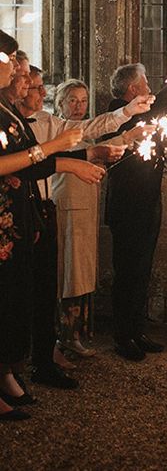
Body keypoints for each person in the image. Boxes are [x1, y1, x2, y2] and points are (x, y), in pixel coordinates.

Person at [0, 31, 104, 420]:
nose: (18, 76)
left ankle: (10, 372)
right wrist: (57, 151)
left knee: (15, 299)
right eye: (13, 66)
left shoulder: (7, 110)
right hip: (3, 221)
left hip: (18, 215)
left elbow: (30, 163)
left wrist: (70, 161)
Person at [104, 61, 167, 362]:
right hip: (128, 208)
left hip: (148, 203)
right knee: (128, 273)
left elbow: (163, 111)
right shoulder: (117, 112)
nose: (148, 88)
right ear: (132, 89)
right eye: (145, 83)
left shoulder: (143, 108)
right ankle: (123, 336)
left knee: (143, 271)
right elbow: (155, 109)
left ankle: (137, 330)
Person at [47, 79, 149, 360]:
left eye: (83, 100)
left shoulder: (81, 130)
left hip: (86, 207)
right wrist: (125, 118)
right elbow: (76, 153)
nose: (79, 106)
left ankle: (75, 333)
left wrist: (128, 138)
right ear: (61, 104)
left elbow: (96, 146)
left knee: (81, 271)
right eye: (73, 101)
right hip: (68, 207)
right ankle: (64, 335)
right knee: (69, 272)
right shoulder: (58, 129)